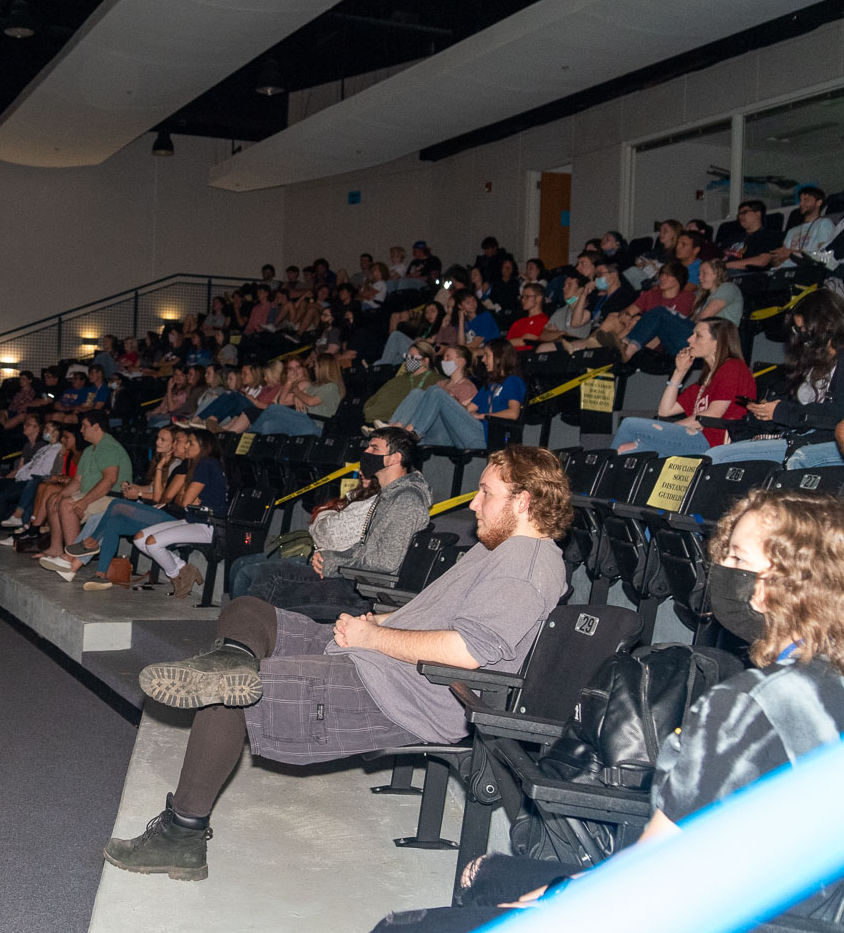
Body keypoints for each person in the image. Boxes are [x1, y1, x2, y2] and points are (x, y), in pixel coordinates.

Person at [366, 488, 844, 933]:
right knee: (485, 875)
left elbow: (654, 873)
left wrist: (556, 899)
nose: (721, 572)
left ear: (791, 582)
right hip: (775, 915)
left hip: (701, 922)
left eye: (737, 558)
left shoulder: (750, 705)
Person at [104, 447, 571, 882]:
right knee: (249, 611)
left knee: (229, 691)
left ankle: (181, 837)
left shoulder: (525, 568)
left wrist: (374, 637)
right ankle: (231, 657)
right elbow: (444, 618)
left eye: (486, 493)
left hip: (403, 692)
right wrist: (381, 622)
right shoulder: (500, 549)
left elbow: (467, 651)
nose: (473, 504)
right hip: (378, 657)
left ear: (523, 501)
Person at [229, 427, 431, 608]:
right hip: (352, 578)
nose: (366, 453)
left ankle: (246, 633)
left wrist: (333, 564)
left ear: (394, 458)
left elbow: (385, 563)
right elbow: (364, 548)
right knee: (253, 572)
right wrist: (328, 556)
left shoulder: (406, 500)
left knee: (263, 576)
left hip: (364, 589)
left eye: (374, 449)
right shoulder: (389, 495)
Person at [707, 289, 844, 467]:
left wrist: (782, 412)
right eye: (799, 330)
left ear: (827, 324)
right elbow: (800, 406)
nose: (803, 336)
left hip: (833, 442)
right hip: (804, 437)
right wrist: (768, 410)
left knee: (718, 457)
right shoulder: (815, 359)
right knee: (716, 455)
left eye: (806, 329)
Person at [72, 429, 229, 598]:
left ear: (204, 446)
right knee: (139, 539)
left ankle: (176, 576)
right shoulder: (198, 465)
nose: (186, 446)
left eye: (190, 442)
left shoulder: (205, 464)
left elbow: (181, 501)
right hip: (191, 519)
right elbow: (181, 500)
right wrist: (183, 497)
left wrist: (185, 499)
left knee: (130, 519)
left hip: (207, 524)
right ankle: (183, 568)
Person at [612, 319, 755, 455]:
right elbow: (665, 411)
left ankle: (603, 466)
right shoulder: (705, 381)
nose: (689, 339)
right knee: (625, 450)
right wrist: (679, 372)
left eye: (698, 335)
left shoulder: (733, 368)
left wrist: (668, 430)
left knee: (630, 424)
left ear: (717, 342)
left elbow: (714, 414)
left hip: (715, 444)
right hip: (695, 440)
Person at [36, 409, 132, 563]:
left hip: (113, 497)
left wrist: (85, 501)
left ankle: (72, 556)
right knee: (54, 498)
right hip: (96, 494)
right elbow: (77, 481)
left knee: (68, 505)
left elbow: (109, 481)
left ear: (96, 427)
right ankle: (56, 548)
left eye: (84, 426)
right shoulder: (89, 450)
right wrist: (61, 494)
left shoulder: (108, 447)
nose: (81, 430)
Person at [396, 341, 526, 450]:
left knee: (436, 391)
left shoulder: (512, 381)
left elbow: (513, 413)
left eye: (487, 355)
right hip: (470, 433)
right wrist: (452, 402)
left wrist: (482, 416)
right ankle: (405, 432)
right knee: (427, 392)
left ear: (499, 357)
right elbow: (467, 410)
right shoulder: (489, 385)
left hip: (487, 436)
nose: (483, 360)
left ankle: (412, 435)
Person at [619, 258, 741, 362]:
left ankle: (628, 349)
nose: (700, 277)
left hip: (714, 340)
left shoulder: (728, 287)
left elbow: (705, 317)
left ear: (717, 273)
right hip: (695, 338)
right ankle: (623, 347)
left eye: (704, 273)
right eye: (699, 273)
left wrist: (677, 320)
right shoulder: (704, 297)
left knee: (661, 312)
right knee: (657, 318)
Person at [363, 342, 442, 424]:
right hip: (372, 418)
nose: (408, 360)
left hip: (393, 423)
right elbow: (373, 399)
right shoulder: (399, 379)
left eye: (413, 357)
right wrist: (369, 410)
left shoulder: (436, 380)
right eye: (407, 356)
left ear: (426, 360)